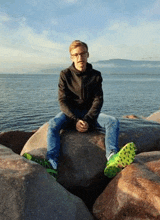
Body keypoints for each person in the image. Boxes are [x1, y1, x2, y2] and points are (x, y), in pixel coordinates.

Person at [24, 40, 136, 179]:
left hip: (90, 115)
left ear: (88, 54)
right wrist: (75, 120)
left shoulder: (96, 75)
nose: (79, 57)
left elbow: (98, 100)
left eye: (82, 54)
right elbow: (62, 101)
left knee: (112, 121)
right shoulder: (65, 74)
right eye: (76, 55)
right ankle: (52, 163)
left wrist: (88, 120)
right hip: (70, 115)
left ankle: (112, 158)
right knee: (53, 124)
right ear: (71, 57)